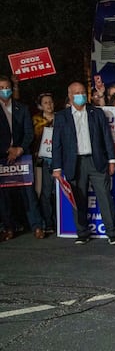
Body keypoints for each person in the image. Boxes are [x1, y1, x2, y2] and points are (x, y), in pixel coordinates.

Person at [52, 81, 115, 245]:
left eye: (83, 92)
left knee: (105, 197)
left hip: (96, 161)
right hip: (74, 163)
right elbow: (57, 144)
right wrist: (57, 167)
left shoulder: (96, 113)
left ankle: (113, 233)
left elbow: (106, 138)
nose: (80, 95)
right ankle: (82, 233)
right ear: (69, 95)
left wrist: (112, 160)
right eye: (76, 92)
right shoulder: (61, 117)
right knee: (78, 199)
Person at [0, 75, 45, 240]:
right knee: (4, 196)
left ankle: (37, 226)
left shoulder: (22, 108)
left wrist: (19, 149)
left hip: (22, 156)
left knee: (29, 193)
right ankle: (8, 228)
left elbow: (29, 133)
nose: (5, 90)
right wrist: (7, 150)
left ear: (11, 89)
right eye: (1, 87)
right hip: (2, 157)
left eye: (7, 87)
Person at [32, 92, 56, 233]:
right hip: (42, 161)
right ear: (40, 106)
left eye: (51, 102)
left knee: (58, 192)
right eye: (46, 102)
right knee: (44, 192)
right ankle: (48, 222)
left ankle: (61, 221)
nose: (49, 105)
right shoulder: (36, 120)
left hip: (59, 160)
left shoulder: (60, 118)